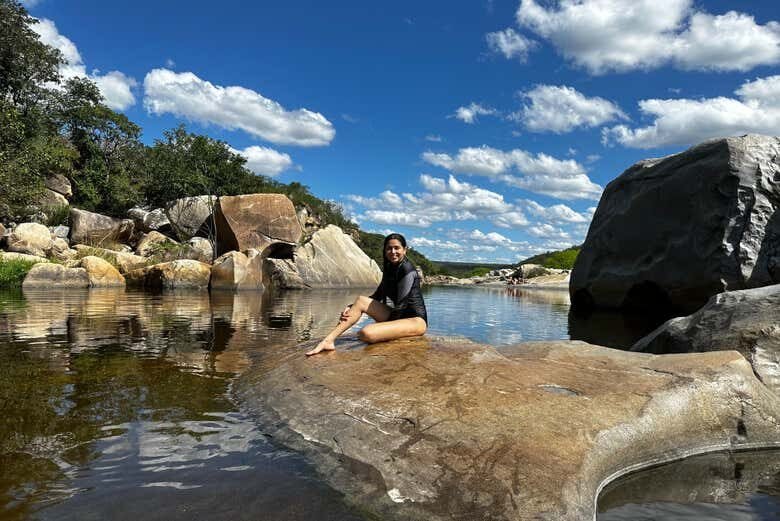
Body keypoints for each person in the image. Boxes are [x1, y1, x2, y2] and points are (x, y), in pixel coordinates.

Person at [305, 233, 427, 356]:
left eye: (397, 248)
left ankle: (396, 334)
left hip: (415, 321)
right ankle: (329, 340)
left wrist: (385, 328)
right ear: (385, 251)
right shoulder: (390, 268)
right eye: (389, 248)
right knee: (360, 300)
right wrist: (351, 306)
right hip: (399, 317)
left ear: (404, 250)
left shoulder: (407, 269)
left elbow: (401, 305)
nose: (393, 251)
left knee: (366, 333)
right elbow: (377, 296)